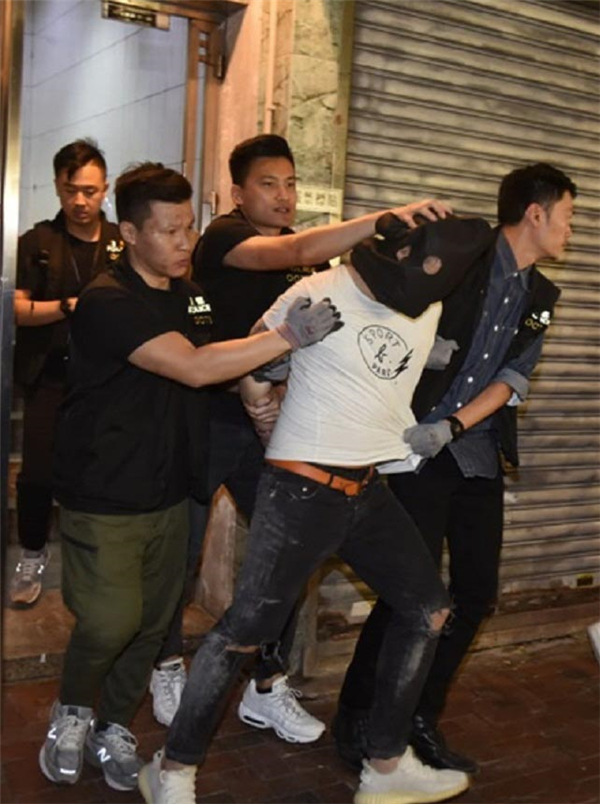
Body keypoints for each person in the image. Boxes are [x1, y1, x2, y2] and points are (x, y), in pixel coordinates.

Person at [137, 211, 498, 804]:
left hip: (368, 489)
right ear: (403, 256)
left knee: (428, 610)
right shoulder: (316, 289)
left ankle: (385, 767)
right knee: (244, 634)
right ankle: (172, 770)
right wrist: (265, 390)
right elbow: (247, 366)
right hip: (301, 490)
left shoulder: (428, 307)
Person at [38, 162, 341, 793]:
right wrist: (286, 337)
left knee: (153, 623)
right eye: (170, 231)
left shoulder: (192, 295)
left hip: (172, 486)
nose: (184, 242)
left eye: (188, 228)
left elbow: (221, 369)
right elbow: (196, 366)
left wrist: (265, 376)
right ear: (129, 233)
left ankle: (113, 725)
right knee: (110, 620)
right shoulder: (107, 300)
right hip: (105, 490)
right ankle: (73, 709)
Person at [151, 133, 451, 742]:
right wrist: (384, 219)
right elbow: (293, 250)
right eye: (269, 184)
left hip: (275, 428)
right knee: (181, 553)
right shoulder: (226, 237)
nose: (284, 196)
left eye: (290, 184)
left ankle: (266, 685)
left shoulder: (308, 262)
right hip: (208, 418)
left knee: (289, 562)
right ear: (238, 194)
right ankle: (166, 663)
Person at [333, 162, 577, 775]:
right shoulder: (461, 250)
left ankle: (418, 716)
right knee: (407, 594)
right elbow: (377, 289)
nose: (571, 231)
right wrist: (417, 346)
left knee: (474, 595)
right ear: (536, 213)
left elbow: (513, 376)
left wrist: (457, 426)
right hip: (412, 449)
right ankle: (359, 715)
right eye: (569, 216)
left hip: (469, 450)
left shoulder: (541, 297)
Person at [9, 139, 122, 607]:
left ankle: (94, 563)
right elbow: (15, 310)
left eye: (90, 191)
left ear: (105, 188)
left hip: (110, 380)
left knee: (101, 473)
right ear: (57, 186)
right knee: (37, 473)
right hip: (49, 376)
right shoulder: (37, 242)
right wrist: (68, 307)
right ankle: (31, 553)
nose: (80, 201)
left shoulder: (122, 241)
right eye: (71, 189)